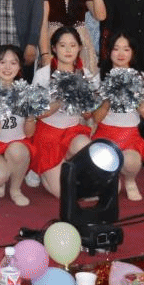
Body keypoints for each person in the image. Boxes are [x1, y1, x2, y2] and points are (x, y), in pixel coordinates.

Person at [29, 26, 95, 198]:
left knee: (86, 147)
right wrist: (60, 99)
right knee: (63, 194)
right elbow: (37, 113)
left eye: (73, 45)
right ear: (54, 48)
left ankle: (66, 165)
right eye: (62, 45)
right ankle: (40, 169)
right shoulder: (43, 74)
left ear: (79, 48)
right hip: (48, 136)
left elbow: (88, 115)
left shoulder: (85, 74)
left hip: (73, 133)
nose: (68, 50)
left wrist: (86, 105)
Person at [94, 35, 144, 200]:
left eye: (126, 49)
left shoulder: (142, 78)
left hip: (130, 135)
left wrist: (135, 99)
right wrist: (107, 100)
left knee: (131, 162)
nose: (121, 54)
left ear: (132, 52)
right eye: (116, 49)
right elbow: (96, 118)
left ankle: (130, 180)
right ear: (109, 51)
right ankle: (111, 178)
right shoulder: (100, 77)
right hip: (105, 134)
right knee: (110, 188)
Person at [0, 45, 36, 206]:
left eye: (13, 63)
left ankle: (15, 189)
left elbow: (29, 134)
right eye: (2, 62)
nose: (7, 67)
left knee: (17, 151)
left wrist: (31, 116)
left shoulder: (27, 92)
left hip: (19, 145)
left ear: (19, 66)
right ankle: (1, 180)